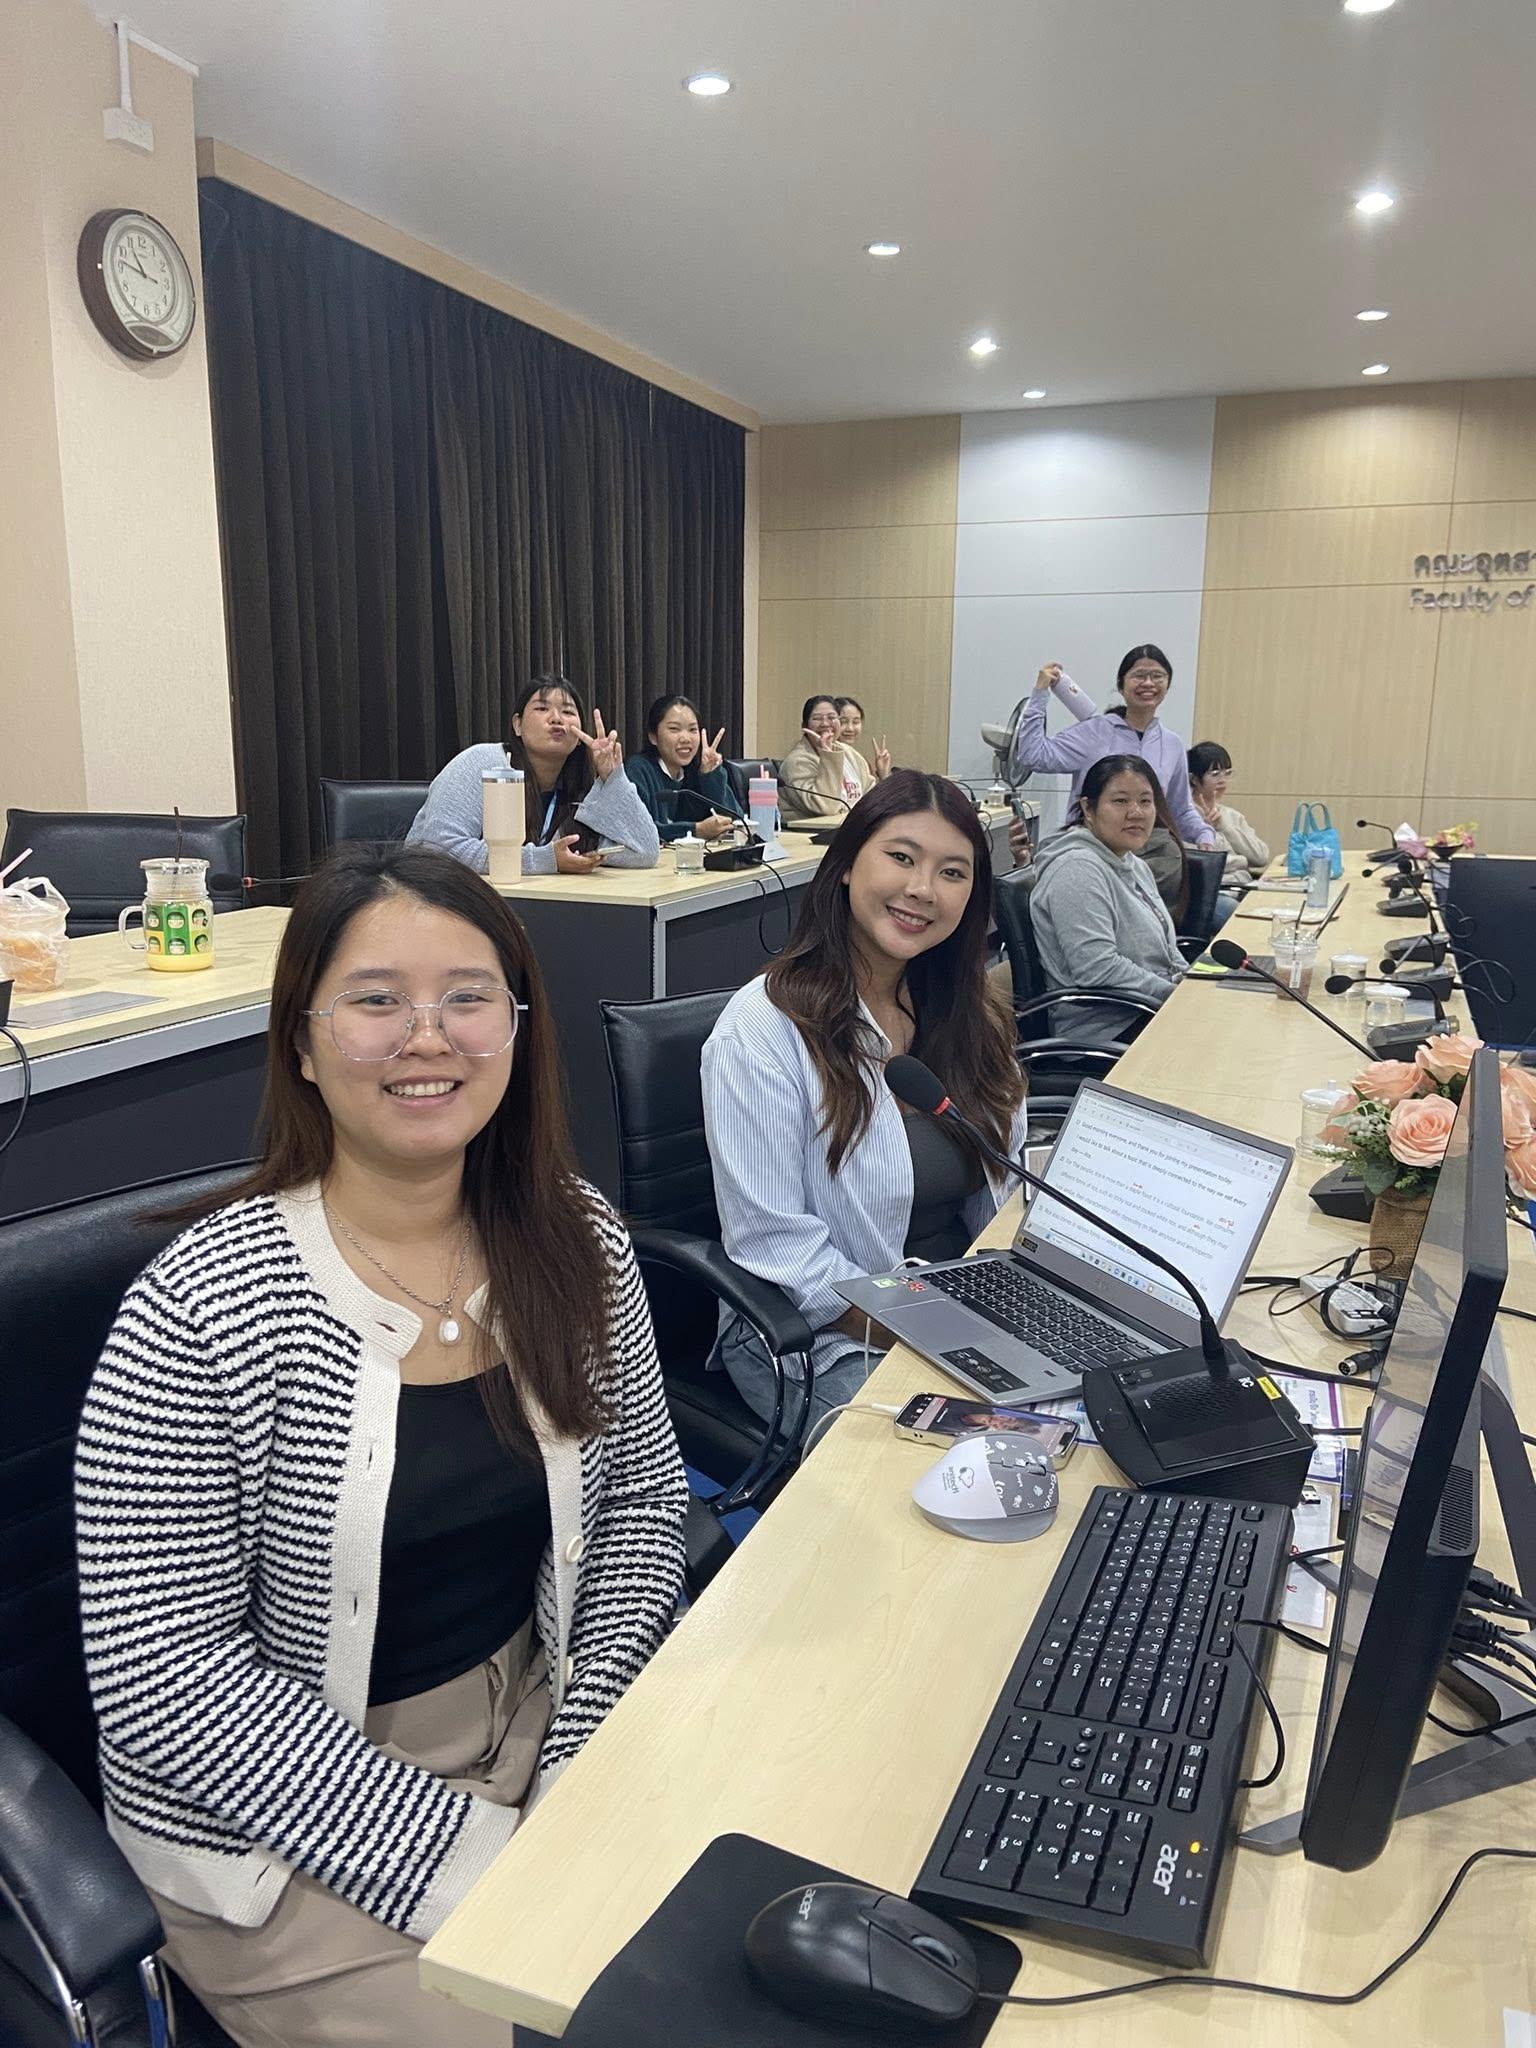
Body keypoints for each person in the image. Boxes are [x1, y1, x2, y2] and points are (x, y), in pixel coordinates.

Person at [75, 844, 688, 2048]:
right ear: (302, 1042)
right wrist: (479, 1855)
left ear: (518, 1028)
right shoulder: (200, 1307)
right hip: (273, 1828)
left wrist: (579, 1755)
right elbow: (164, 1678)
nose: (428, 1035)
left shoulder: (576, 1241)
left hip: (536, 1711)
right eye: (375, 999)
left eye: (468, 997)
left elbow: (641, 1508)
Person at [702, 770, 1028, 1427]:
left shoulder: (970, 1015)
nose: (922, 889)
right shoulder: (761, 1031)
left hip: (962, 1311)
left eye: (952, 873)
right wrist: (939, 1329)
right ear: (848, 864)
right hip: (821, 1334)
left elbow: (1009, 1182)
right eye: (901, 858)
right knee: (988, 1456)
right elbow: (778, 1251)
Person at [407, 673, 660, 876]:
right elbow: (437, 850)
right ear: (517, 725)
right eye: (542, 709)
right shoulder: (484, 763)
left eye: (568, 712)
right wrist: (546, 860)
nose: (557, 719)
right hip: (439, 903)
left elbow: (644, 852)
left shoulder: (578, 787)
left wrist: (613, 777)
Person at [1028, 754, 1185, 1046]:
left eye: (1145, 801)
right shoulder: (1077, 869)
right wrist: (1175, 995)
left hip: (1149, 1008)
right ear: (1088, 809)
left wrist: (1189, 981)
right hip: (1107, 1028)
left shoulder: (1134, 864)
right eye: (1121, 801)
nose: (1136, 812)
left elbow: (1168, 950)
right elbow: (1096, 968)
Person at [1012, 647, 1214, 852]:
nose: (1148, 683)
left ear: (1168, 684)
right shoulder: (1094, 732)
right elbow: (1032, 755)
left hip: (1146, 855)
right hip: (1090, 850)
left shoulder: (1173, 745)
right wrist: (1040, 694)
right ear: (1121, 685)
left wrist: (1204, 834)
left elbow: (1180, 810)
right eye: (1139, 675)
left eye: (1157, 676)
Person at [624, 694, 742, 842]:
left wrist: (711, 776)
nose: (685, 738)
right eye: (674, 729)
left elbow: (737, 821)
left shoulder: (696, 771)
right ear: (653, 736)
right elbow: (639, 830)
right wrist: (696, 830)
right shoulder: (638, 769)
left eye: (692, 730)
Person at [779, 694, 892, 825]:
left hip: (854, 829)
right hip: (811, 834)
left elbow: (872, 801)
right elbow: (827, 807)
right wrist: (828, 755)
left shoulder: (850, 753)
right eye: (817, 718)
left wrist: (884, 775)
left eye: (832, 717)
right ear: (805, 725)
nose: (825, 724)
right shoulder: (797, 762)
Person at [1188, 740, 1270, 888]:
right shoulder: (1185, 817)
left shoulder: (1232, 815)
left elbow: (1261, 857)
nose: (1222, 780)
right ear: (1194, 779)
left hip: (1241, 886)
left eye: (1227, 773)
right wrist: (1243, 861)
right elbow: (1204, 863)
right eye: (1215, 774)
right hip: (1214, 889)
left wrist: (1224, 826)